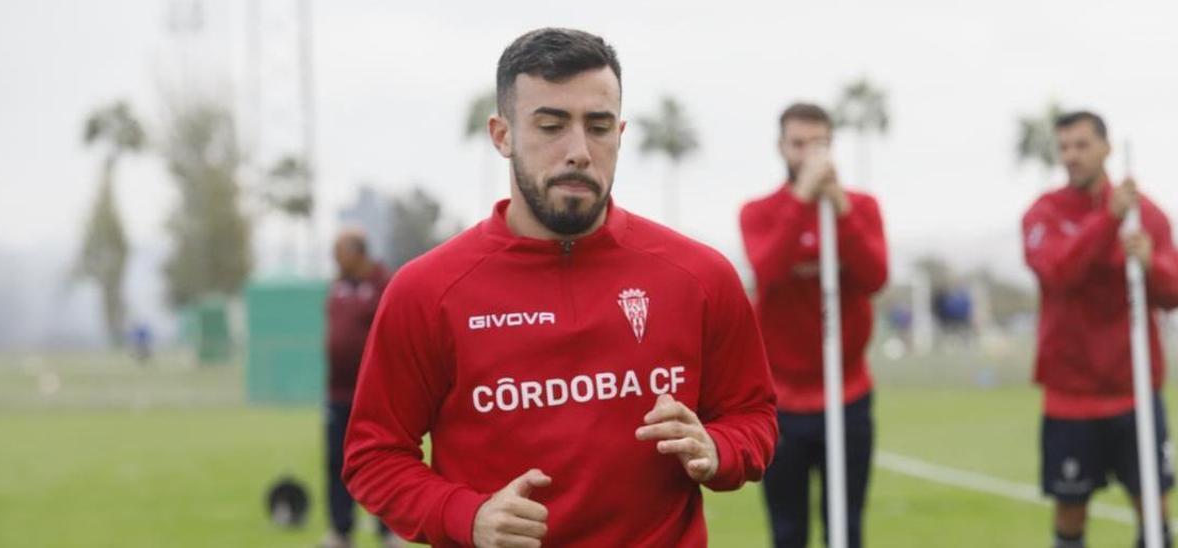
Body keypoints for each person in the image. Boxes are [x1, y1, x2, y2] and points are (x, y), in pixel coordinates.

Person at [342, 28, 777, 547]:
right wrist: (466, 516)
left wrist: (719, 448)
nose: (578, 151)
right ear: (502, 135)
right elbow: (374, 455)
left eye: (597, 127)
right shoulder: (428, 291)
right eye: (551, 125)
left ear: (620, 133)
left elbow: (753, 415)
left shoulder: (700, 276)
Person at [1021, 111, 1178, 548]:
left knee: (1154, 510)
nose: (1072, 156)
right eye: (1064, 147)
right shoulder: (1045, 213)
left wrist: (1151, 263)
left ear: (1106, 148)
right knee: (1070, 512)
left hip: (1134, 390)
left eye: (1081, 145)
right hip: (1070, 397)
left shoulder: (1145, 214)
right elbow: (1058, 272)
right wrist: (1106, 223)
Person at [740, 102, 889, 548]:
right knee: (788, 530)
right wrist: (802, 198)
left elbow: (875, 275)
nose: (808, 153)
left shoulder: (860, 207)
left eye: (818, 143)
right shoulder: (760, 212)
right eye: (798, 143)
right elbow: (767, 268)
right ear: (781, 147)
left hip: (848, 394)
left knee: (846, 526)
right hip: (782, 400)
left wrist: (840, 208)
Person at [322, 228, 399, 548]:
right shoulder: (338, 287)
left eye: (338, 252)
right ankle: (341, 531)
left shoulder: (384, 284)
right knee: (335, 461)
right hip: (337, 394)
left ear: (357, 252)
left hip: (372, 393)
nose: (334, 260)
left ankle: (388, 529)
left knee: (382, 460)